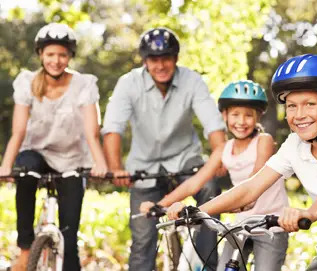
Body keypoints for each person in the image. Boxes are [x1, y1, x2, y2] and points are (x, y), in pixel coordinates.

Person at [168, 54, 317, 270]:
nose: (299, 114)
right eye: (292, 106)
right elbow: (250, 188)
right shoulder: (294, 144)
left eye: (309, 104)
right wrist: (197, 211)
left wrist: (309, 213)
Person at [101, 27, 226, 271]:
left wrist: (219, 155)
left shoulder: (192, 80)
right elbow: (112, 128)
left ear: (176, 58)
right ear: (145, 61)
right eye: (154, 60)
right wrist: (116, 168)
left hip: (186, 161)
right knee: (143, 240)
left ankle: (206, 265)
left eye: (166, 58)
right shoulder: (128, 83)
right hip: (144, 167)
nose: (160, 65)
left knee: (210, 189)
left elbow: (213, 123)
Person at [142, 80, 289, 270]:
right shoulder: (223, 149)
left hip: (271, 225)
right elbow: (194, 183)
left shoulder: (264, 141)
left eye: (248, 115)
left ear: (258, 116)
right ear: (224, 115)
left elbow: (255, 181)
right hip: (240, 225)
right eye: (235, 114)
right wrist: (160, 205)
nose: (241, 121)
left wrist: (235, 203)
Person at [0, 23, 108, 271]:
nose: (56, 60)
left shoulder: (83, 85)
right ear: (41, 55)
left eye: (62, 54)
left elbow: (92, 131)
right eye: (50, 54)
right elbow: (18, 131)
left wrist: (99, 164)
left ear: (70, 56)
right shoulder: (27, 82)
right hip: (37, 153)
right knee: (25, 170)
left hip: (72, 159)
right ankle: (26, 249)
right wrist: (6, 165)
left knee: (69, 243)